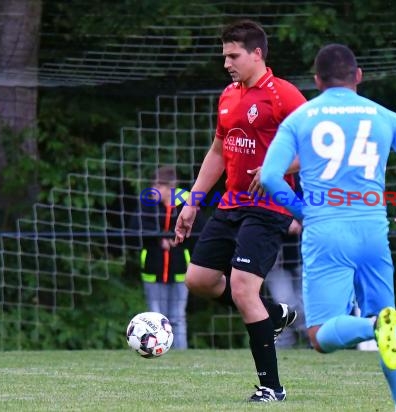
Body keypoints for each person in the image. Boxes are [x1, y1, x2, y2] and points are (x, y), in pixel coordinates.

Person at [260, 43, 396, 412]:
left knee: (320, 336)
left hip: (327, 231)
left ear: (317, 81)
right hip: (373, 230)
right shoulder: (385, 116)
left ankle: (372, 326)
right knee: (390, 322)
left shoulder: (301, 118)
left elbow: (269, 176)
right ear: (358, 76)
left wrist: (303, 211)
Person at [174, 20, 306, 402]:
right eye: (225, 56)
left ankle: (272, 388)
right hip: (231, 203)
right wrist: (192, 202)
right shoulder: (229, 95)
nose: (227, 63)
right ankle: (273, 315)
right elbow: (217, 152)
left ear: (257, 54)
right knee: (198, 280)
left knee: (243, 287)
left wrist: (277, 170)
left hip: (268, 207)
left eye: (233, 56)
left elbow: (317, 147)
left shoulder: (284, 95)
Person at [130, 165, 200, 350]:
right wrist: (158, 239)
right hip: (153, 269)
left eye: (159, 185)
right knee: (155, 318)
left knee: (177, 316)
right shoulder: (147, 202)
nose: (155, 189)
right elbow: (135, 227)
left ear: (171, 186)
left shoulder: (188, 203)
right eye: (154, 184)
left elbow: (199, 231)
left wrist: (177, 241)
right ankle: (158, 354)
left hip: (179, 269)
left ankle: (181, 354)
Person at [264, 234, 307, 348]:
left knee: (304, 303)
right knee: (286, 303)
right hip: (273, 256)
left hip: (302, 253)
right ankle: (308, 336)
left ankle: (312, 338)